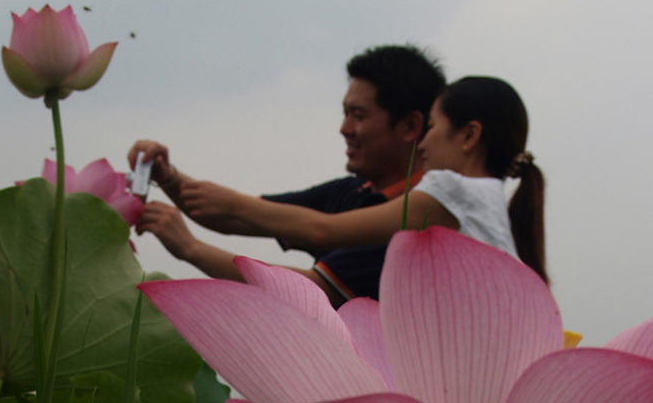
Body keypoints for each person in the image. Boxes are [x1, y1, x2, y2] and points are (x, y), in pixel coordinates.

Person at [130, 45, 447, 305]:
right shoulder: (351, 191)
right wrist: (168, 176)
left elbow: (313, 288)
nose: (344, 128)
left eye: (359, 116)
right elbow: (234, 216)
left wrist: (191, 248)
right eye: (345, 113)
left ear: (411, 127)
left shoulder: (415, 223)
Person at [181, 76, 549, 284]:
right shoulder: (491, 206)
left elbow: (323, 232)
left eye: (433, 127)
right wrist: (172, 181)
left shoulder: (451, 192)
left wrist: (225, 210)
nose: (424, 142)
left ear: (469, 136)